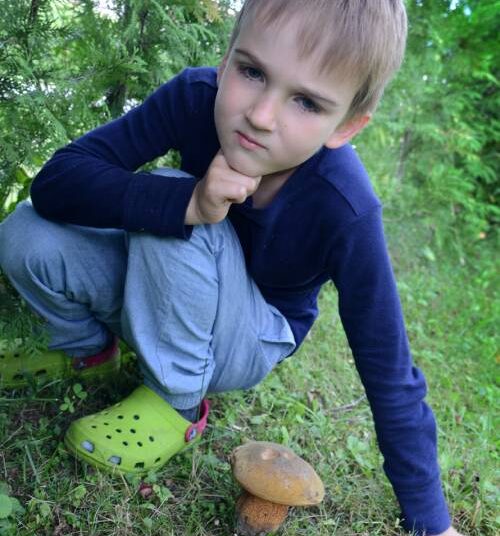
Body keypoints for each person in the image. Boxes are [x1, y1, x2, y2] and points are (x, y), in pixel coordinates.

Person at [0, 1, 463, 534]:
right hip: (164, 291)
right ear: (225, 62)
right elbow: (58, 181)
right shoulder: (196, 97)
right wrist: (191, 204)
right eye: (252, 72)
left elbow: (388, 368)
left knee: (177, 201)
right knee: (27, 232)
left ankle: (176, 404)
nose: (261, 115)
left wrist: (432, 522)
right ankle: (89, 352)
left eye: (307, 102)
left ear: (347, 126)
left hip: (248, 336)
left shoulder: (346, 207)